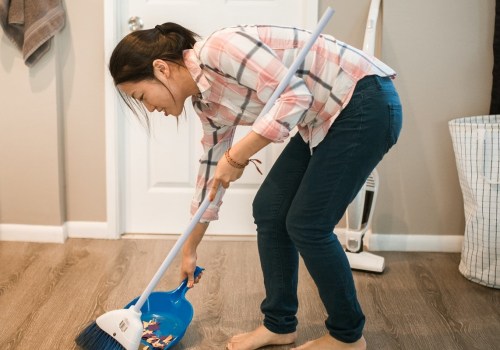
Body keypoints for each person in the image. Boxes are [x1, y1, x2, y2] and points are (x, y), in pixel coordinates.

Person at [109, 22, 402, 350]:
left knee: (307, 224)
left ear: (161, 69)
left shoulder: (220, 48)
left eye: (141, 96)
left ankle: (347, 337)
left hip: (364, 101)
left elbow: (296, 96)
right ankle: (280, 325)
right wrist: (190, 249)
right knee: (270, 210)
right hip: (323, 119)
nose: (149, 108)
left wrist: (236, 157)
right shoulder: (207, 106)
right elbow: (211, 178)